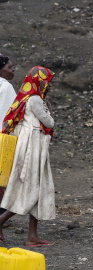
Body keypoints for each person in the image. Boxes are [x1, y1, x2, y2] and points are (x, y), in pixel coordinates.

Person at [0, 66, 56, 247]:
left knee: (35, 190)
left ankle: (32, 236)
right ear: (39, 82)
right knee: (32, 190)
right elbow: (50, 122)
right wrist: (49, 108)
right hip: (33, 150)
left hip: (29, 148)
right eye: (47, 82)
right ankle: (0, 220)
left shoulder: (23, 99)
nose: (48, 86)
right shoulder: (35, 100)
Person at [0, 53, 16, 227]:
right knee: (2, 177)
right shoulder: (5, 87)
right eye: (9, 67)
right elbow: (9, 117)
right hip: (2, 138)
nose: (13, 70)